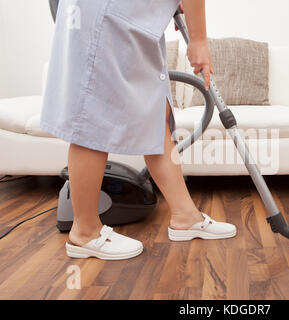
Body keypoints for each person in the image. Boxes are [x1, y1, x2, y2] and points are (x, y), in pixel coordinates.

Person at [40, 0, 236, 260]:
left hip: (133, 17)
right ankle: (85, 231)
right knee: (94, 114)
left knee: (157, 110)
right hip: (106, 14)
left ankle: (185, 216)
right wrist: (198, 40)